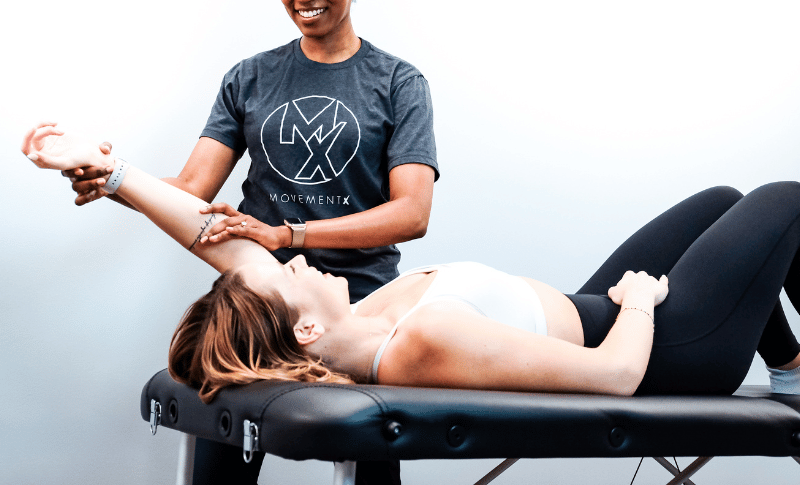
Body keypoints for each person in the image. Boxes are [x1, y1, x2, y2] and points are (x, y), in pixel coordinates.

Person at [62, 0, 438, 484]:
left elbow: (412, 213)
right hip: (254, 311)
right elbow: (191, 188)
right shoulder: (249, 77)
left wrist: (289, 232)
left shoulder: (399, 82)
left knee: (371, 473)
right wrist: (114, 181)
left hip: (361, 306)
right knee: (221, 469)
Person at [24, 124, 800, 407]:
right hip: (667, 350)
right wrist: (636, 305)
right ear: (299, 322)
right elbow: (616, 380)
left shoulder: (345, 328)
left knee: (721, 200)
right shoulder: (416, 341)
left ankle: (793, 367)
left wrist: (110, 169)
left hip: (589, 306)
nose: (297, 261)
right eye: (288, 271)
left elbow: (211, 236)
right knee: (785, 199)